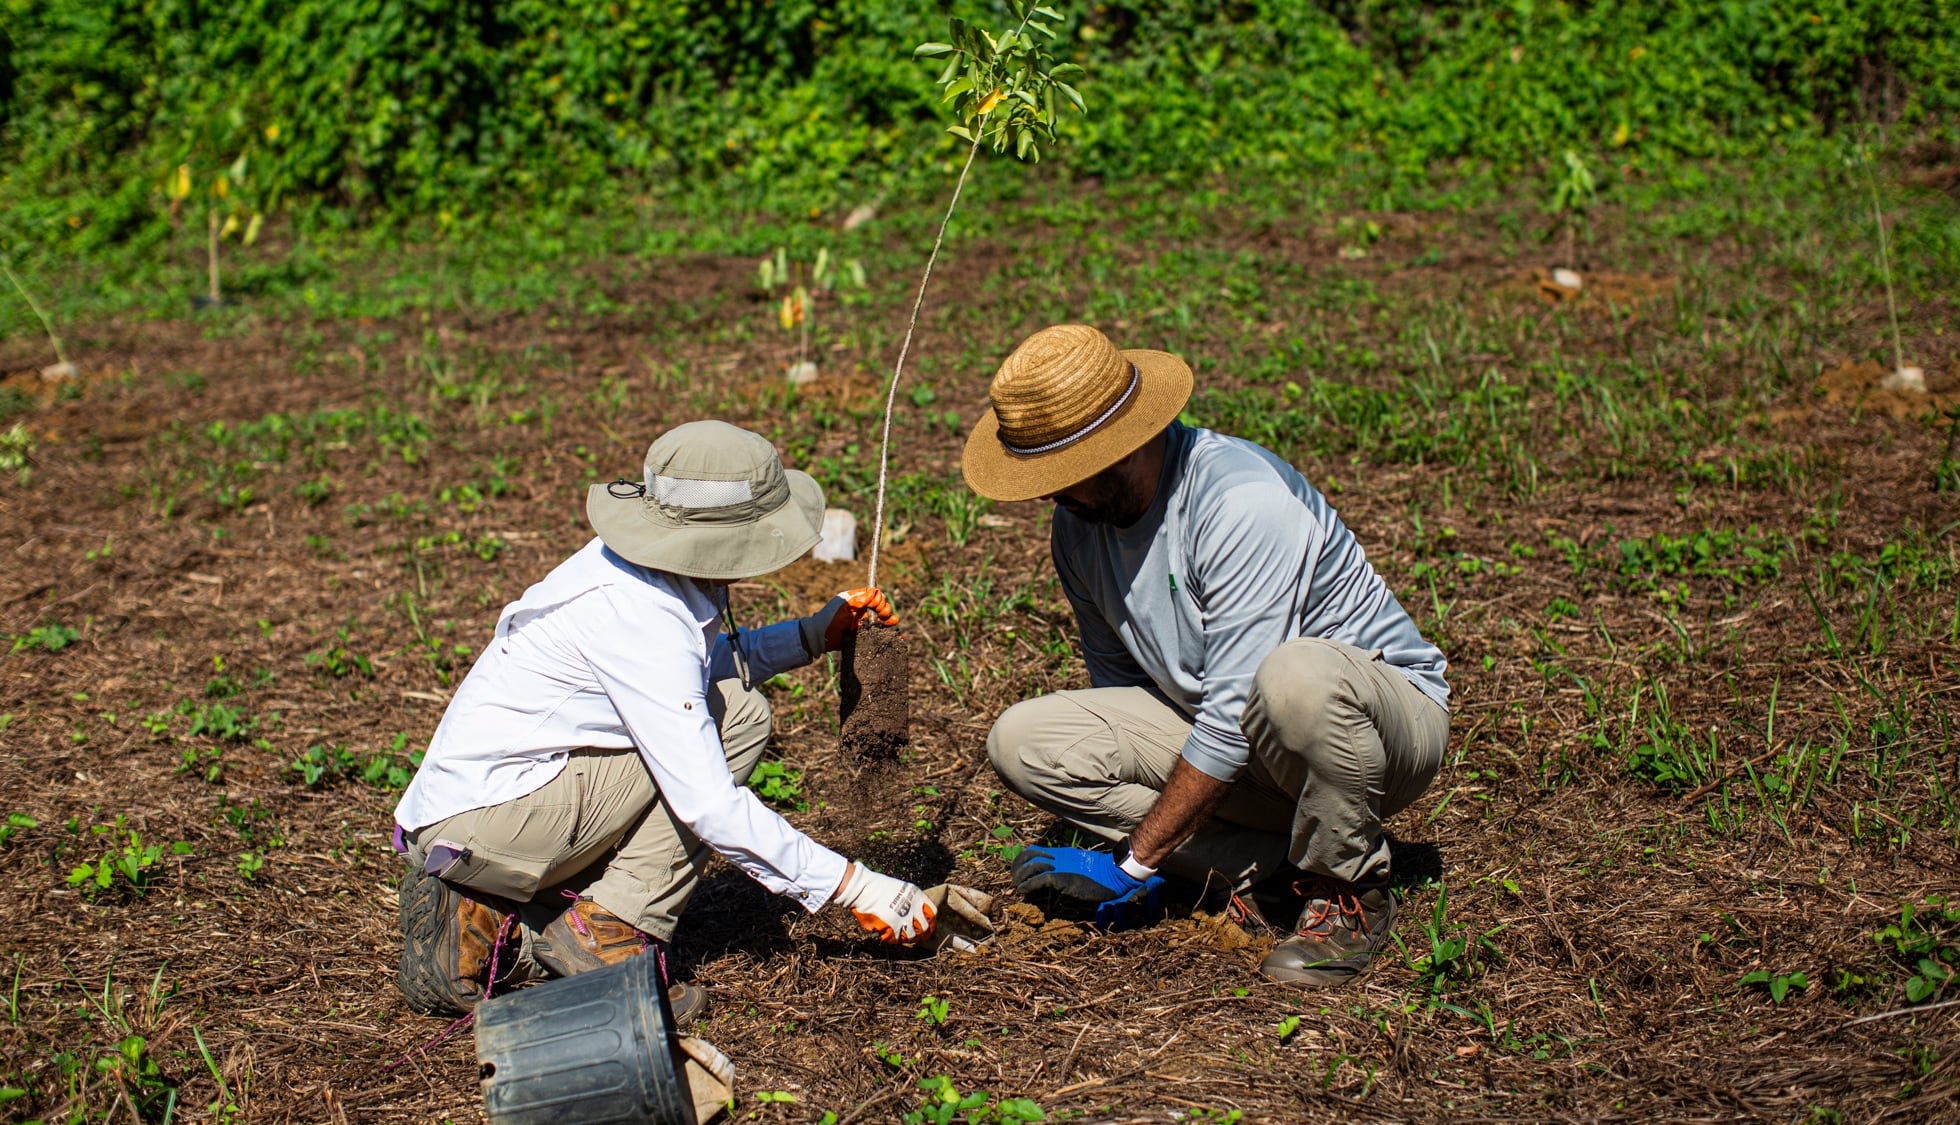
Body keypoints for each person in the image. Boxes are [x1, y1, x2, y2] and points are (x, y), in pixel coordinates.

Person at [392, 420, 934, 1020]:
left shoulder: (630, 569)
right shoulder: (642, 616)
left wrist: (809, 636)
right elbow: (707, 802)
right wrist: (854, 885)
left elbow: (697, 669)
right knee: (739, 719)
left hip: (482, 811)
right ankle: (608, 932)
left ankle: (481, 917)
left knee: (731, 706)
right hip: (491, 820)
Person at [961, 324, 1450, 988]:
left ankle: (1348, 888)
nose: (1049, 495)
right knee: (1024, 741)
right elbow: (1125, 690)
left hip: (1373, 731)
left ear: (1120, 446)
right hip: (1249, 738)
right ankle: (1272, 869)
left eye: (1061, 475)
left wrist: (1136, 860)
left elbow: (1231, 714)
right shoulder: (1079, 530)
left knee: (1294, 679)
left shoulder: (1237, 500)